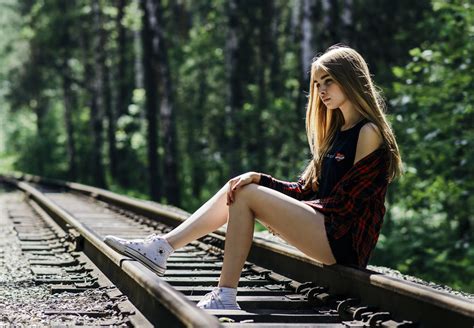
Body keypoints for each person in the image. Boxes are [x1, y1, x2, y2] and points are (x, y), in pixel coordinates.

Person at [104, 45, 402, 310]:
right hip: (326, 229)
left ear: (350, 80)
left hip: (344, 243)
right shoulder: (337, 134)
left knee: (247, 195)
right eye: (317, 84)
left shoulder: (368, 133)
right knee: (241, 184)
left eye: (329, 81)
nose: (322, 91)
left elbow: (348, 208)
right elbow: (304, 190)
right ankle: (162, 248)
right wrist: (261, 180)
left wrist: (284, 215)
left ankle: (224, 293)